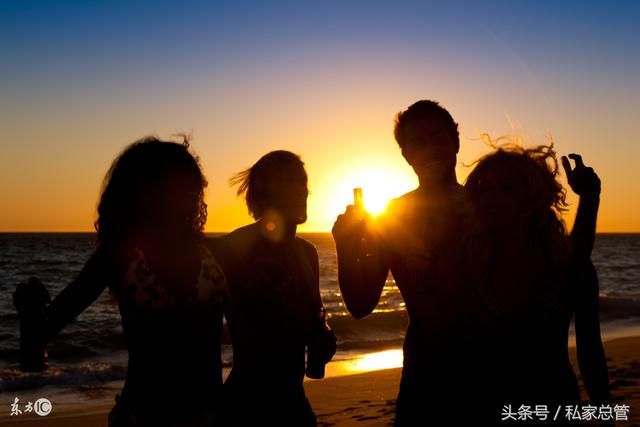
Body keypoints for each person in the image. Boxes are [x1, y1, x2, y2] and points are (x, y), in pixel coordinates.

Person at [13, 137, 228, 427]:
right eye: (172, 186)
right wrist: (30, 313)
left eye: (190, 186)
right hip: (141, 418)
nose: (186, 196)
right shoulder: (119, 256)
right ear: (142, 192)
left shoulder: (218, 254)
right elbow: (35, 354)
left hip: (213, 418)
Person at [332, 100, 467, 425]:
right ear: (406, 154)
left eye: (438, 137)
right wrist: (345, 246)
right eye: (417, 142)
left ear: (455, 141)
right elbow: (360, 304)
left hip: (494, 366)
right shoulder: (393, 217)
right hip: (425, 370)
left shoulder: (489, 204)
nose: (430, 148)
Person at [461, 144, 610, 423]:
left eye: (507, 188)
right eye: (486, 189)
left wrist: (605, 413)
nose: (492, 198)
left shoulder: (569, 265)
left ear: (533, 195)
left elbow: (590, 350)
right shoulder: (467, 263)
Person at [213, 150, 336, 426]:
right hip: (245, 407)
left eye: (301, 182)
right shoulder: (233, 248)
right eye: (287, 182)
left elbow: (315, 319)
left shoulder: (307, 253)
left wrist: (323, 337)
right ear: (262, 194)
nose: (299, 190)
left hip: (294, 404)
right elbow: (202, 328)